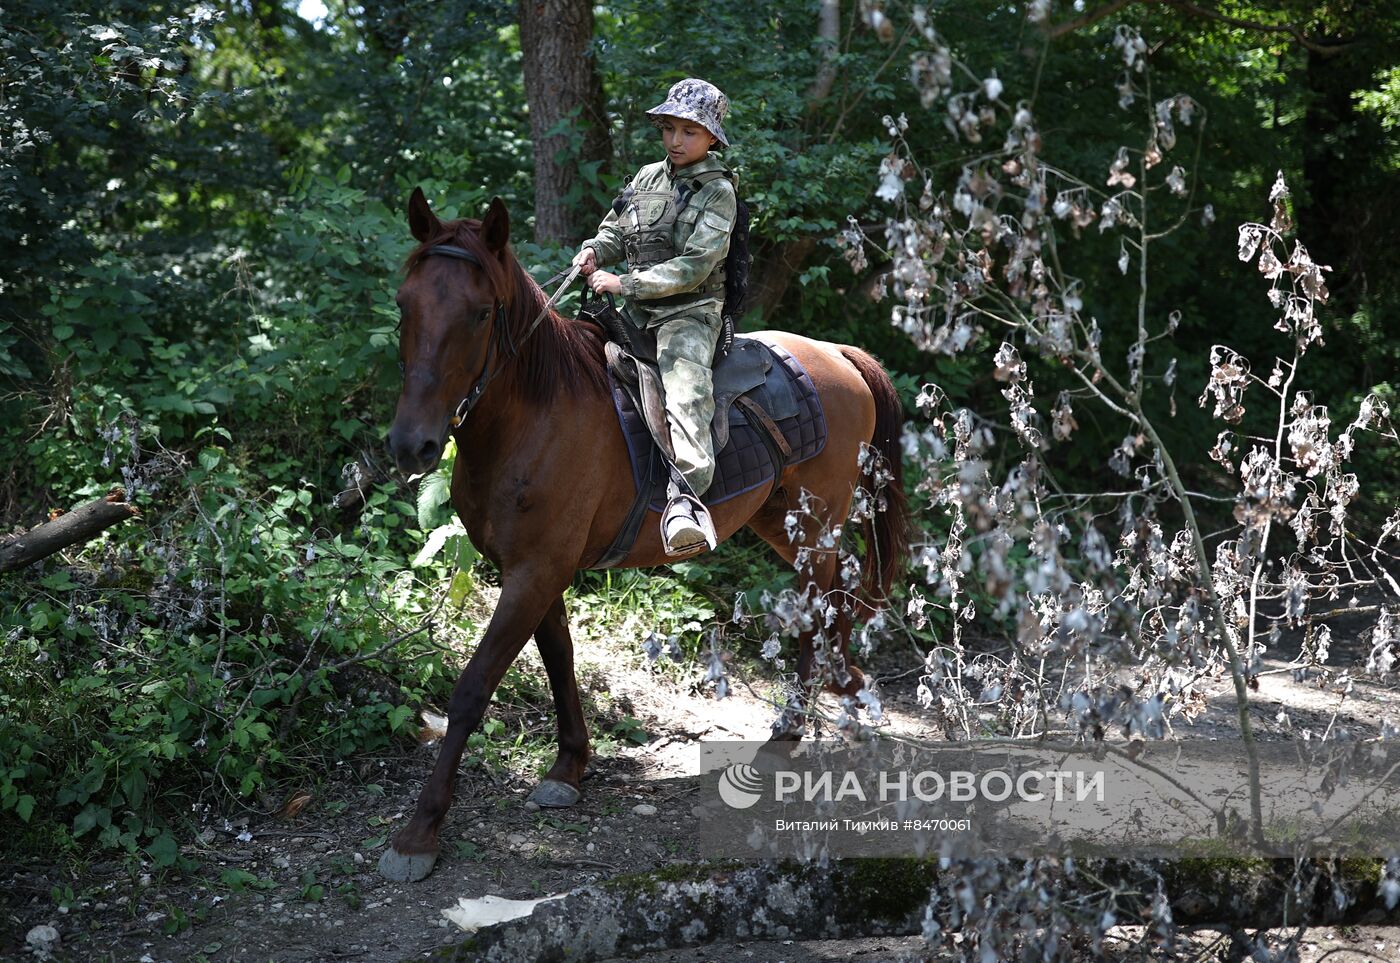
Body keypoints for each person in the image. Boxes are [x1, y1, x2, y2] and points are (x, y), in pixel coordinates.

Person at [572, 78, 738, 556]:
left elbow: (696, 265)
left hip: (688, 313)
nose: (676, 141)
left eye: (689, 131)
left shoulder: (718, 192)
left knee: (686, 393)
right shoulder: (646, 177)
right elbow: (614, 229)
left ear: (711, 138)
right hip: (634, 311)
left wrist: (627, 283)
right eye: (669, 129)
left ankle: (685, 503)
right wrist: (592, 252)